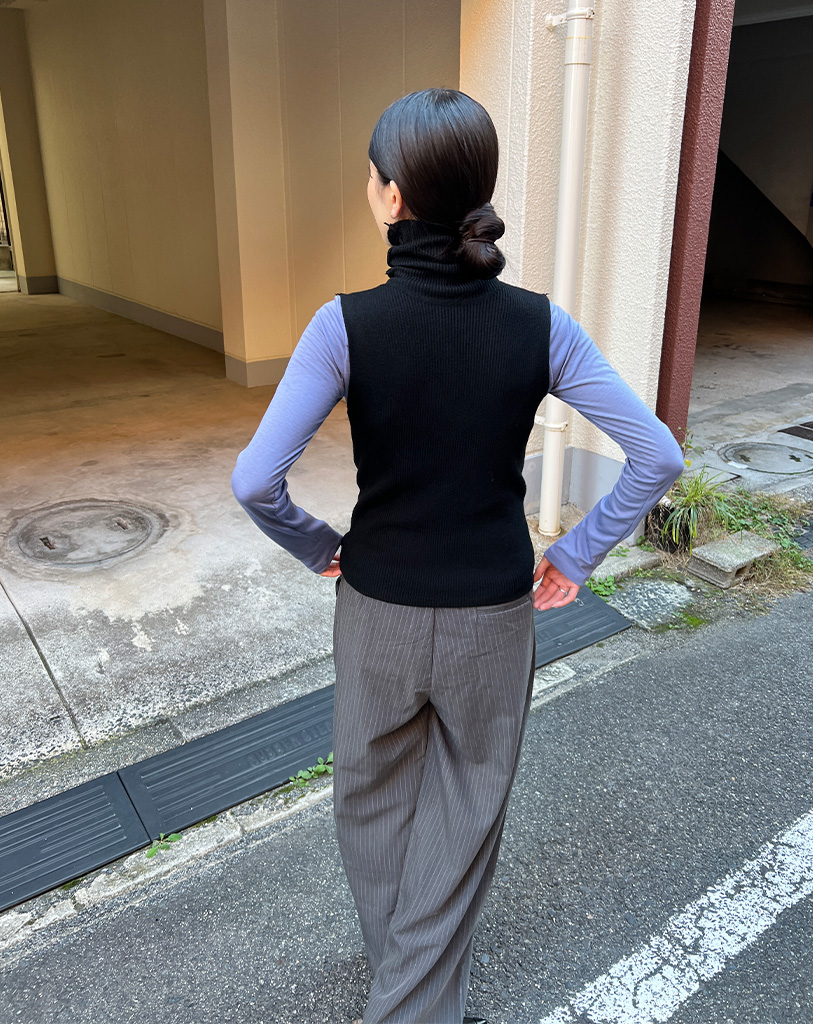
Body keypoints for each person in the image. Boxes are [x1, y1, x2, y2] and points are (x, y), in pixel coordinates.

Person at [231, 88, 684, 1024]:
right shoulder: (541, 325)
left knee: (369, 799)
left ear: (393, 197)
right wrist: (577, 554)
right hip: (493, 613)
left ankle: (406, 995)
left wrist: (320, 548)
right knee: (467, 804)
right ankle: (422, 993)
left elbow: (255, 483)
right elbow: (657, 455)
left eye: (371, 176)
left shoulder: (342, 326)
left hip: (378, 607)